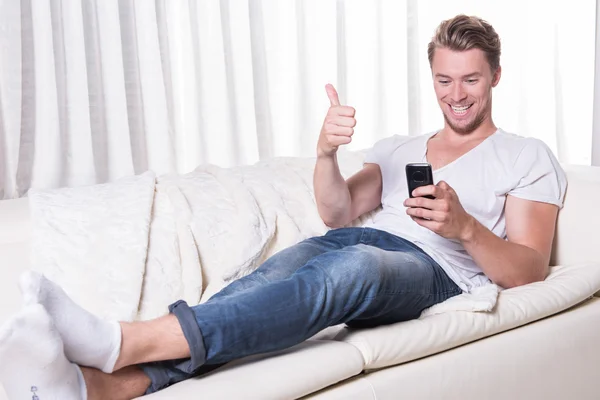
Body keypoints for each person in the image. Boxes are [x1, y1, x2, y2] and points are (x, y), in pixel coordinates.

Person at [0, 14, 566, 400]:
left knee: (356, 269)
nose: (456, 94)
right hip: (351, 243)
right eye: (445, 79)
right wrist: (325, 152)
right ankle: (103, 387)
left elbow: (529, 268)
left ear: (495, 75)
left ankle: (123, 338)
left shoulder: (524, 155)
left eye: (470, 79)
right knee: (265, 284)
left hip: (434, 270)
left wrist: (465, 227)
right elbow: (338, 213)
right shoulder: (400, 148)